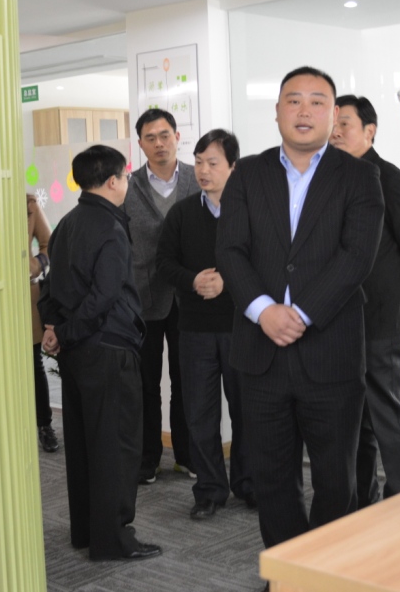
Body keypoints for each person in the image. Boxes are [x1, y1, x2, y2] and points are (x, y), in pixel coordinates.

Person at [216, 66, 384, 549]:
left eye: (316, 101)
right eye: (293, 100)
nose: (304, 110)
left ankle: (327, 571)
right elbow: (230, 250)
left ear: (333, 115)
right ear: (277, 112)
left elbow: (357, 256)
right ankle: (288, 575)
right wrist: (264, 310)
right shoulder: (248, 174)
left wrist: (302, 312)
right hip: (260, 354)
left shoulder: (360, 176)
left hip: (330, 351)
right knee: (271, 478)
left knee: (337, 479)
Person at [37, 145, 160, 561]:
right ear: (112, 181)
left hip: (76, 354)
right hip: (108, 349)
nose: (126, 183)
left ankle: (86, 532)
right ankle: (112, 540)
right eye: (124, 177)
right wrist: (66, 331)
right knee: (116, 447)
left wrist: (55, 329)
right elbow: (105, 296)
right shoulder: (110, 227)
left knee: (84, 444)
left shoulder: (67, 223)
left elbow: (49, 288)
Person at [156, 129, 254, 520]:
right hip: (194, 329)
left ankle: (248, 483)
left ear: (233, 166)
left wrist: (229, 281)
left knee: (247, 410)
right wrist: (192, 280)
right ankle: (210, 490)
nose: (203, 170)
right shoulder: (181, 213)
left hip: (241, 327)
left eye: (212, 163)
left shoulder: (250, 210)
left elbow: (268, 261)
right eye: (198, 162)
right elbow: (164, 263)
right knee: (199, 412)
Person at [331, 95, 400, 504]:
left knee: (387, 410)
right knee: (356, 418)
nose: (335, 132)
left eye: (344, 124)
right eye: (332, 124)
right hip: (340, 321)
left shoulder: (389, 178)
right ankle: (363, 500)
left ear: (369, 131)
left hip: (381, 318)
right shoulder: (330, 179)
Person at [124, 108, 200, 484]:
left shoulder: (198, 178)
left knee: (188, 381)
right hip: (143, 298)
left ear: (177, 137)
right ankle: (148, 458)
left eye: (165, 135)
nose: (159, 143)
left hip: (191, 298)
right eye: (150, 137)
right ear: (140, 143)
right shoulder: (126, 186)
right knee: (145, 383)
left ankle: (186, 455)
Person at [26, 193, 59, 452]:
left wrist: (35, 265)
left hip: (24, 296)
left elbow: (50, 243)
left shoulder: (28, 204)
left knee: (33, 363)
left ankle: (44, 425)